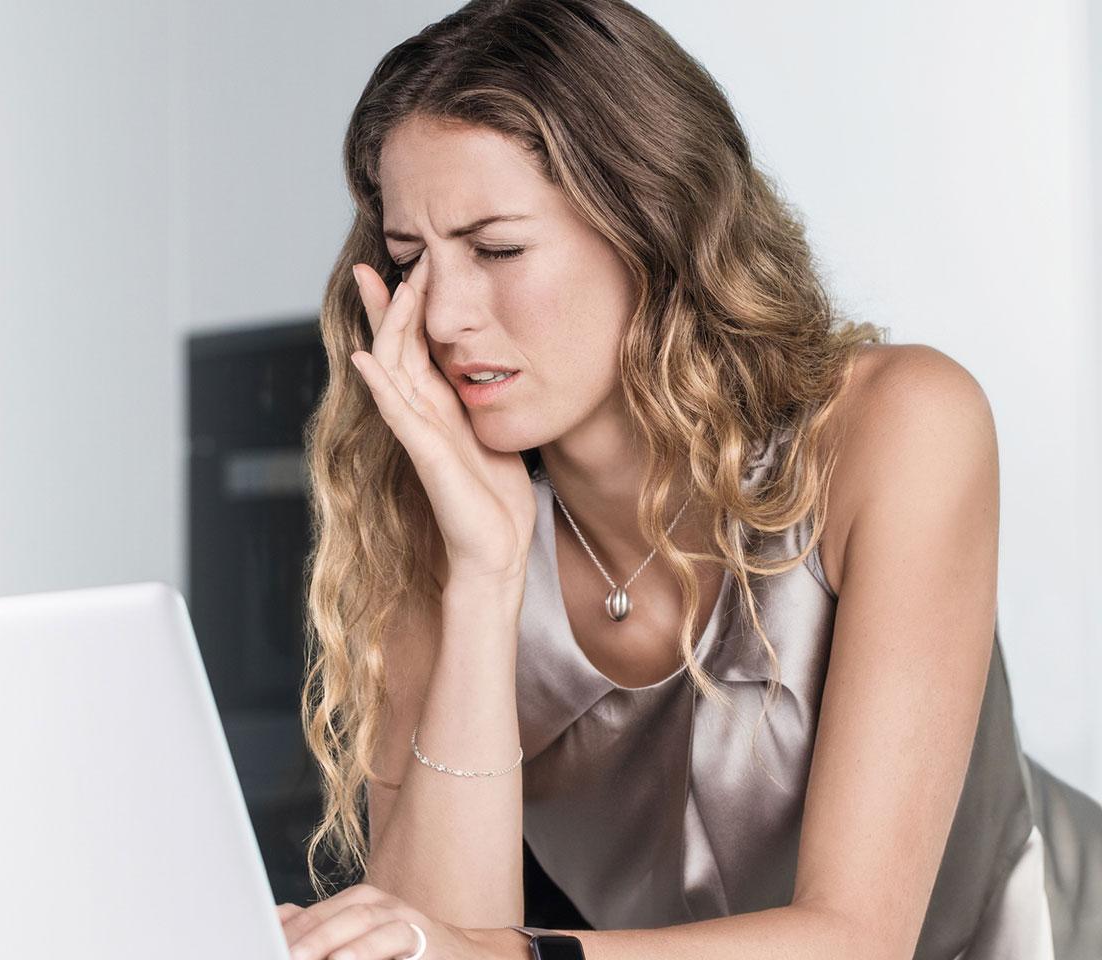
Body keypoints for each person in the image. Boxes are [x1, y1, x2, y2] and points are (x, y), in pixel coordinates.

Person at [272, 1, 1102, 959]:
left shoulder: (900, 427)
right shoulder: (441, 519)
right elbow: (423, 942)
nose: (445, 315)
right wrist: (487, 570)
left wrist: (516, 953)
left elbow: (860, 938)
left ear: (650, 224)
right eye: (411, 262)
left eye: (497, 249)